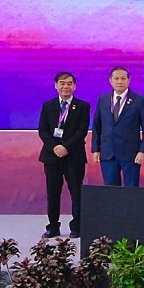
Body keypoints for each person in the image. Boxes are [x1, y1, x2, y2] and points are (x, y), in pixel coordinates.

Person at [37, 71, 91, 239]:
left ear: (74, 86)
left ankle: (77, 227)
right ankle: (53, 227)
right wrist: (55, 147)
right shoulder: (48, 106)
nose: (65, 86)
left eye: (69, 83)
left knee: (76, 192)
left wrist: (66, 147)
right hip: (52, 156)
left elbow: (81, 131)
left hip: (74, 156)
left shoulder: (83, 106)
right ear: (56, 85)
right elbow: (43, 131)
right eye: (62, 83)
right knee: (52, 192)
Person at [92, 66, 144, 187]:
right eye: (116, 78)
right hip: (108, 153)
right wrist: (96, 149)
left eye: (123, 78)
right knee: (111, 192)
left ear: (129, 80)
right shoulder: (102, 99)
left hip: (131, 154)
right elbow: (97, 125)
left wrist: (142, 151)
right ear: (110, 80)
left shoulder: (139, 100)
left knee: (131, 192)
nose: (120, 81)